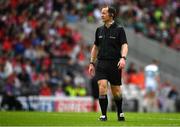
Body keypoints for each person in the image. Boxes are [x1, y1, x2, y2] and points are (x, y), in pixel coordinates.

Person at [88, 6, 128, 121]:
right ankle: (104, 115)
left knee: (116, 91)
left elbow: (124, 45)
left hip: (115, 63)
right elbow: (95, 47)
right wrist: (91, 62)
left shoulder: (119, 29)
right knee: (102, 86)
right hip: (101, 63)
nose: (101, 15)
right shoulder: (99, 30)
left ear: (111, 15)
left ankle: (120, 112)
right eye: (101, 13)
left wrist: (123, 58)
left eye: (104, 13)